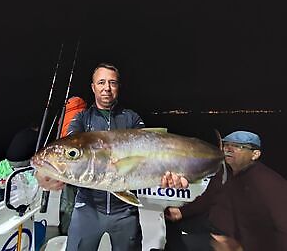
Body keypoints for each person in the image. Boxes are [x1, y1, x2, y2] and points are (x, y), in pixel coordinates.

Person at [36, 62, 188, 251]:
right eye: (101, 82)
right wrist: (43, 172)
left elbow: (149, 154)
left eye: (112, 83)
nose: (106, 88)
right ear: (93, 87)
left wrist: (167, 174)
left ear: (118, 87)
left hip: (124, 210)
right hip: (87, 208)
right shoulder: (82, 119)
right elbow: (68, 149)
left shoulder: (131, 119)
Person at [209, 131, 287, 250]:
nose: (228, 149)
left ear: (255, 154)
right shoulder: (224, 173)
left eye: (238, 146)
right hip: (215, 236)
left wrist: (242, 247)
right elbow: (207, 198)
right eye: (226, 145)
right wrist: (182, 212)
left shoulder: (269, 183)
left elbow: (282, 229)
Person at [58, 96, 87, 235]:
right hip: (77, 169)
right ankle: (71, 233)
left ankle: (64, 232)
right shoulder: (82, 117)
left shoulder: (64, 117)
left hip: (63, 168)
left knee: (67, 203)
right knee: (75, 203)